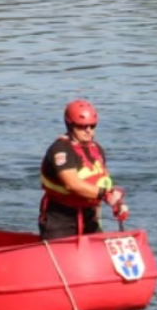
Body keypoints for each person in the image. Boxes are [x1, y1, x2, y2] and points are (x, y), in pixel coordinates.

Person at [39, 99, 128, 240]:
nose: (88, 131)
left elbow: (103, 182)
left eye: (92, 126)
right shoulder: (61, 150)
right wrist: (106, 195)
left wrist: (117, 201)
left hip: (89, 218)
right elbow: (72, 184)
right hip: (61, 219)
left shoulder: (97, 149)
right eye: (82, 126)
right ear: (70, 125)